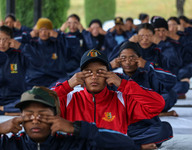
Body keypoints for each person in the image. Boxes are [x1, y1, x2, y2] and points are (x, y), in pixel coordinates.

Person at [52, 49, 170, 148]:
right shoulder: (69, 99)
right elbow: (39, 101)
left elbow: (157, 105)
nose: (94, 76)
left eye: (100, 72)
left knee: (164, 128)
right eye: (88, 72)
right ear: (80, 76)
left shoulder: (121, 99)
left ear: (109, 75)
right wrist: (67, 85)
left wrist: (123, 84)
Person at [0, 86, 150, 150]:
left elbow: (126, 144)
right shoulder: (10, 144)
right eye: (28, 114)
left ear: (56, 116)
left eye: (43, 114)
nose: (35, 119)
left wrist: (77, 128)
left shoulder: (71, 143)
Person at [110, 41, 177, 117]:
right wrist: (109, 66)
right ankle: (152, 115)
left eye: (132, 58)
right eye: (123, 58)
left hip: (142, 108)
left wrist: (147, 65)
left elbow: (172, 79)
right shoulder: (116, 77)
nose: (128, 62)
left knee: (171, 94)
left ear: (139, 59)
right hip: (124, 110)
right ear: (118, 60)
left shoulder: (147, 74)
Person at [18, 18, 70, 89]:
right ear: (37, 31)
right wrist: (29, 35)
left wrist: (58, 36)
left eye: (46, 30)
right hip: (35, 81)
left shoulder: (57, 44)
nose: (43, 32)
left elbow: (68, 47)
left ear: (51, 31)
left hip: (55, 80)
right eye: (41, 30)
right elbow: (16, 43)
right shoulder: (32, 44)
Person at [0, 25, 42, 115]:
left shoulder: (19, 54)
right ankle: (8, 111)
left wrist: (21, 47)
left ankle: (5, 110)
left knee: (35, 98)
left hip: (16, 99)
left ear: (11, 40)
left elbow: (39, 62)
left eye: (5, 39)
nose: (1, 43)